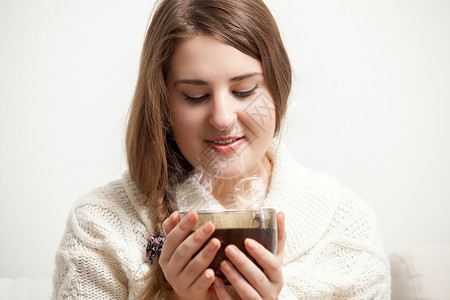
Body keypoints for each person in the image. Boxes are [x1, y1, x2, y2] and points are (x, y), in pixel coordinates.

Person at [52, 0, 391, 299]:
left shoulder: (345, 225)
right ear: (162, 103)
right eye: (195, 96)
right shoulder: (100, 224)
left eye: (244, 91)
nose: (223, 118)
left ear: (278, 87)